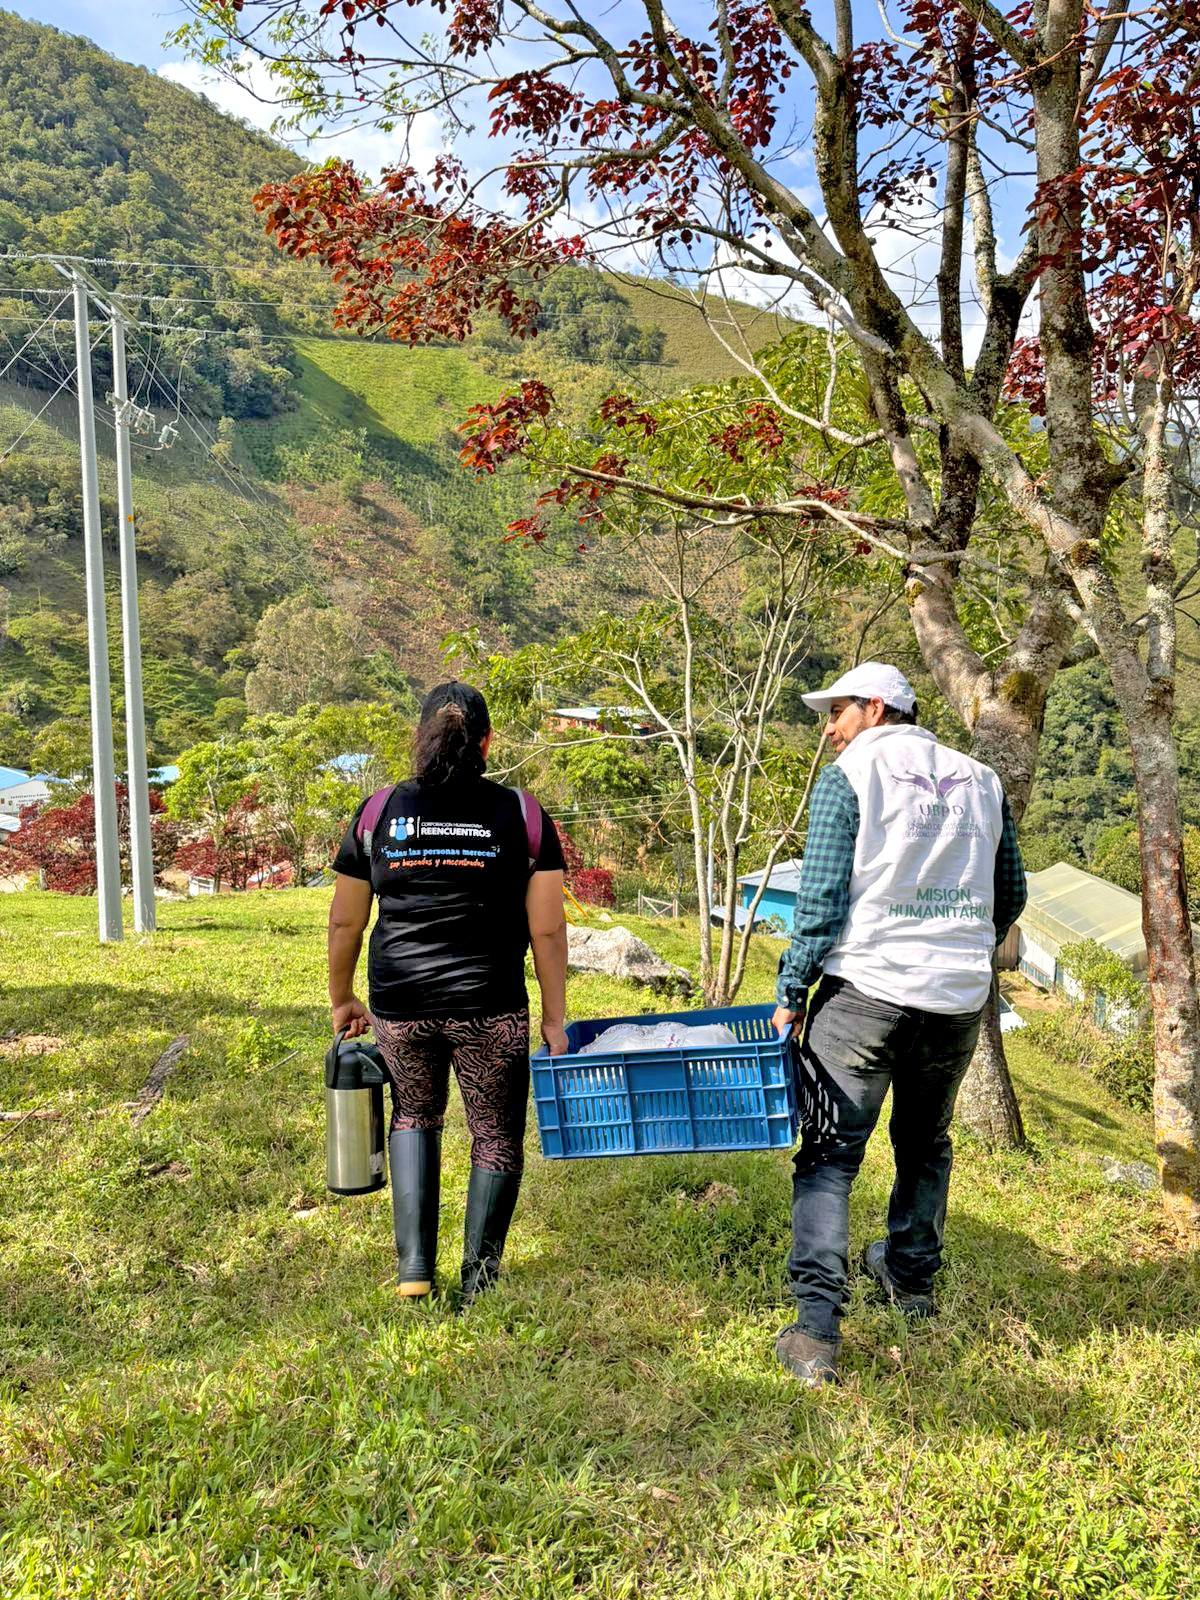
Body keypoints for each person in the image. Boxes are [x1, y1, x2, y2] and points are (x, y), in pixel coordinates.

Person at [770, 661, 1027, 1386]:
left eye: (838, 712)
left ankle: (816, 1332)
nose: (830, 729)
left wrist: (792, 989)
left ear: (876, 708)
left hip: (866, 992)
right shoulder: (982, 779)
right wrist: (957, 948)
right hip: (955, 1001)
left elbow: (820, 900)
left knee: (829, 1155)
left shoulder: (850, 778)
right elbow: (1011, 891)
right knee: (925, 1142)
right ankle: (911, 1284)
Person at [327, 681, 568, 1306]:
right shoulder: (523, 814)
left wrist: (341, 997)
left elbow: (346, 921)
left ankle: (415, 1269)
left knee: (414, 1115)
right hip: (490, 1005)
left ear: (422, 736)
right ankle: (479, 1281)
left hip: (400, 1002)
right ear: (487, 742)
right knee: (495, 1135)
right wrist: (555, 1018)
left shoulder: (380, 810)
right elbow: (546, 928)